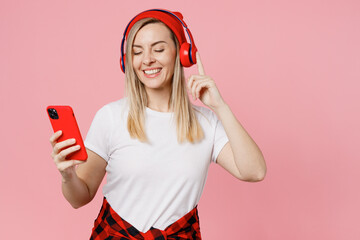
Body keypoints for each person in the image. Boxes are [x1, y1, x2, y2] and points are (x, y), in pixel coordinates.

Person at [49, 9, 266, 240]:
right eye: (137, 51)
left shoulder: (205, 122)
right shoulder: (111, 117)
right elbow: (78, 198)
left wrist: (220, 106)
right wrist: (68, 176)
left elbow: (254, 171)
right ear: (128, 61)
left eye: (159, 49)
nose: (147, 59)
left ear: (182, 54)